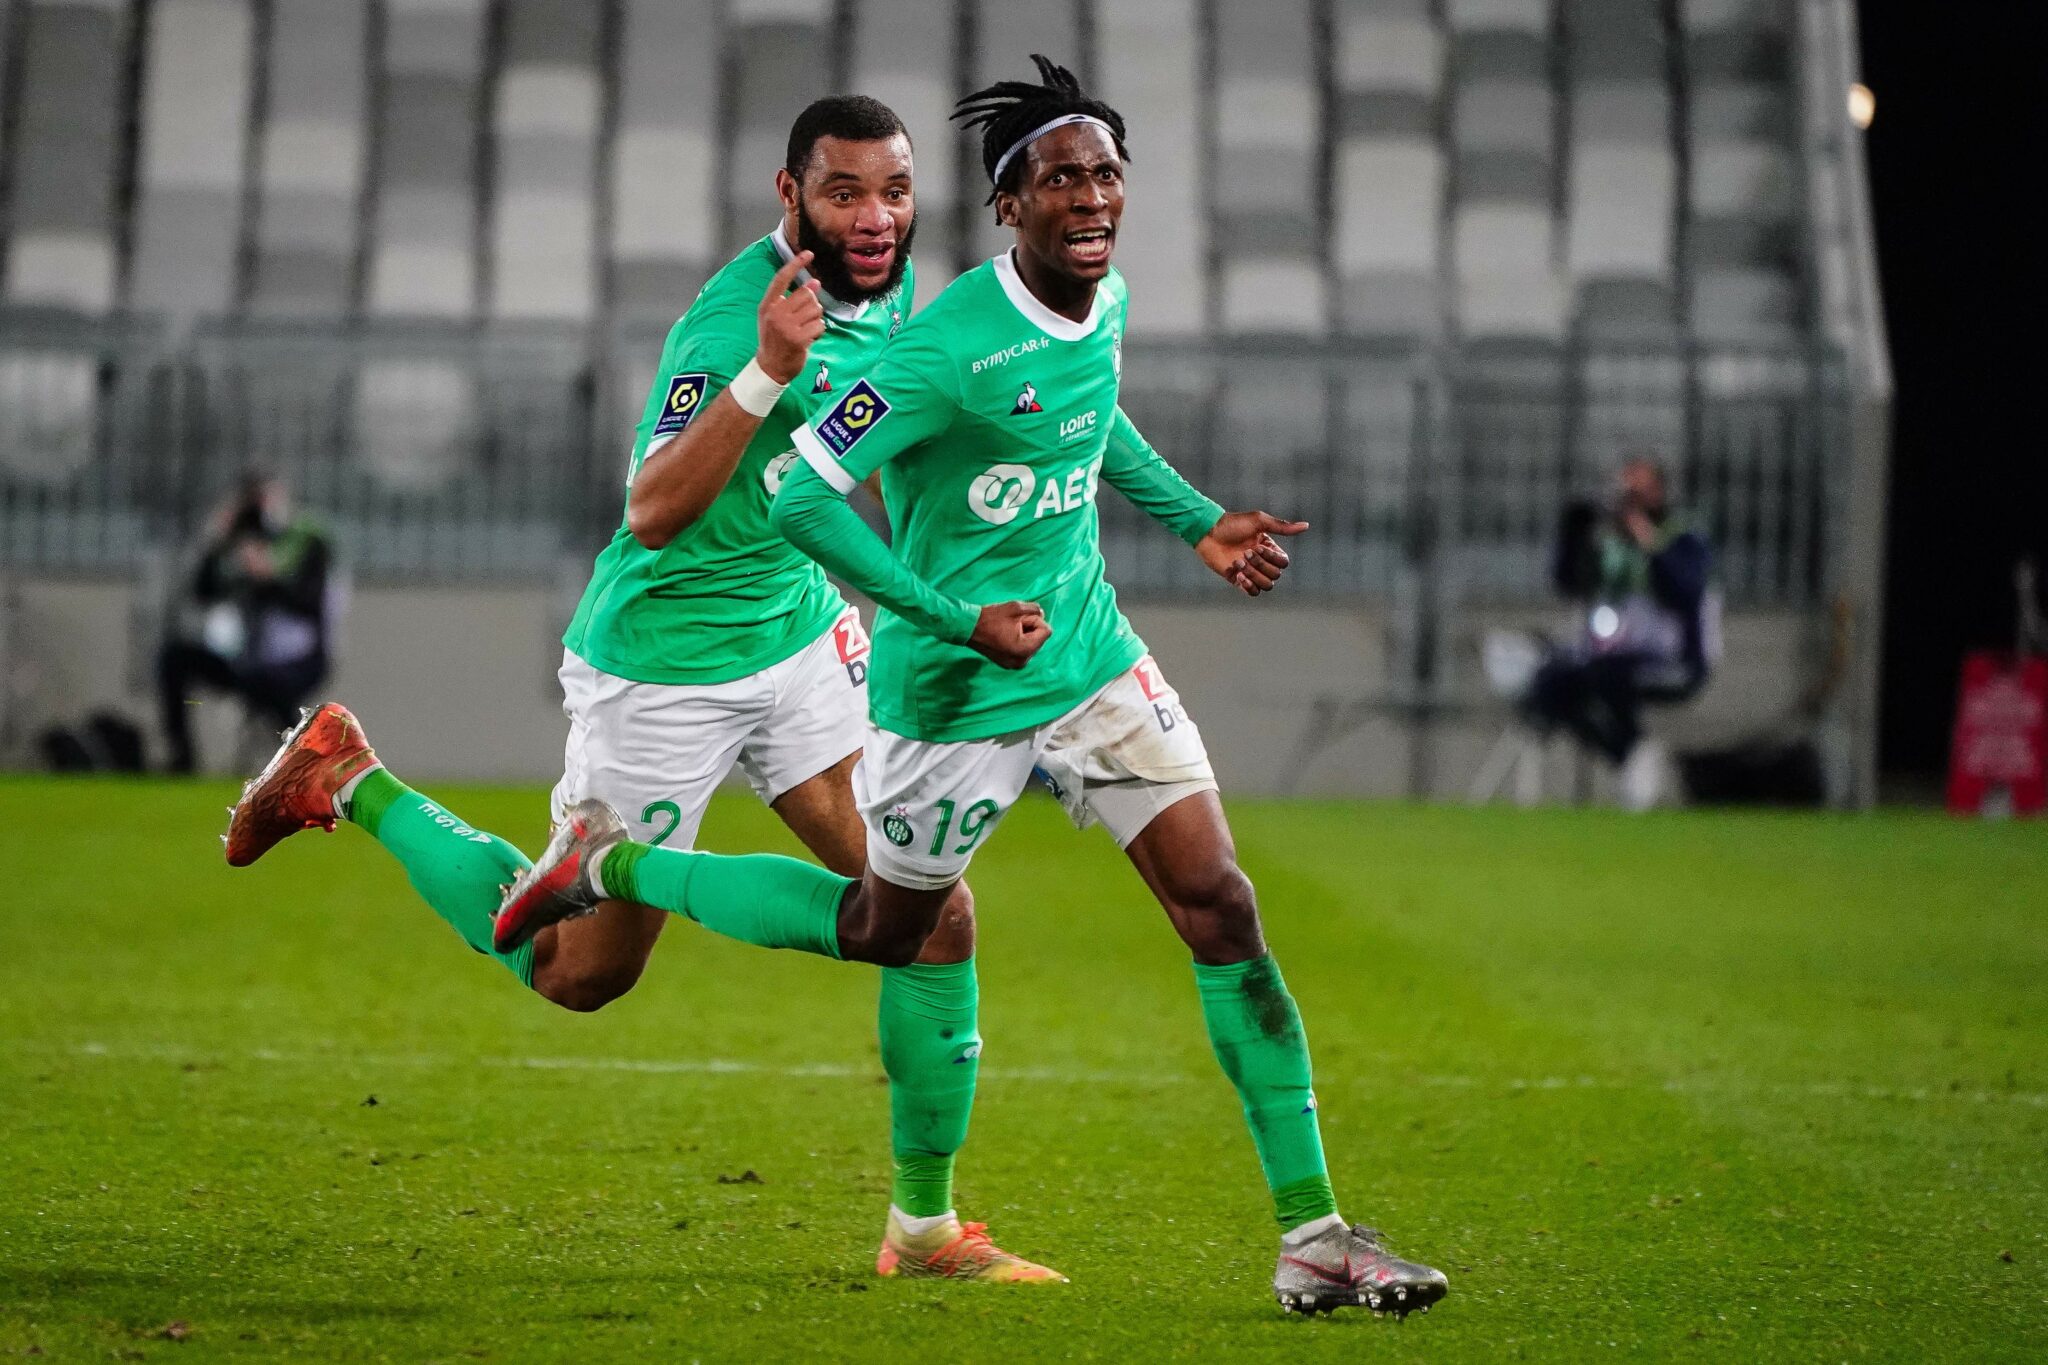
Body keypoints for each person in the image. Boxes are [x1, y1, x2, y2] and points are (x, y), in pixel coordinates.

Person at [497, 56, 1449, 1318]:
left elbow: (1084, 412)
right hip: (944, 687)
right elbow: (789, 493)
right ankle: (608, 867)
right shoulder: (930, 343)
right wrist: (955, 618)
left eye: (1105, 173)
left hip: (1086, 654)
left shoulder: (1084, 301)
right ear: (1010, 205)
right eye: (1060, 179)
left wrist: (1198, 523)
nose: (1089, 198)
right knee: (874, 932)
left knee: (1218, 904)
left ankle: (1312, 1238)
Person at [223, 96, 1059, 1283]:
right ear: (790, 198)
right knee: (581, 977)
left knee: (930, 913)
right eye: (842, 195)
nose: (874, 219)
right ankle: (346, 775)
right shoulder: (734, 324)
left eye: (892, 191)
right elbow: (654, 512)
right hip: (662, 668)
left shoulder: (892, 292)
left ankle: (920, 1230)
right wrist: (768, 376)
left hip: (799, 637)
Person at [1525, 455, 1719, 809]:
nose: (1628, 502)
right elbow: (1569, 584)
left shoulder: (1684, 537)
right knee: (1552, 684)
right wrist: (1574, 532)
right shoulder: (1610, 542)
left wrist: (1648, 540)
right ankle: (1629, 752)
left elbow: (1683, 590)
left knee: (1608, 676)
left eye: (1638, 492)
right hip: (1614, 654)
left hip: (1673, 657)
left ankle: (1634, 753)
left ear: (1658, 492)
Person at [158, 472, 333, 774]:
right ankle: (182, 759)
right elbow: (203, 593)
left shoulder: (307, 542)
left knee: (267, 682)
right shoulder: (237, 545)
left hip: (298, 658)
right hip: (246, 657)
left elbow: (309, 607)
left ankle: (309, 763)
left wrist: (268, 578)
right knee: (174, 658)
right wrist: (216, 544)